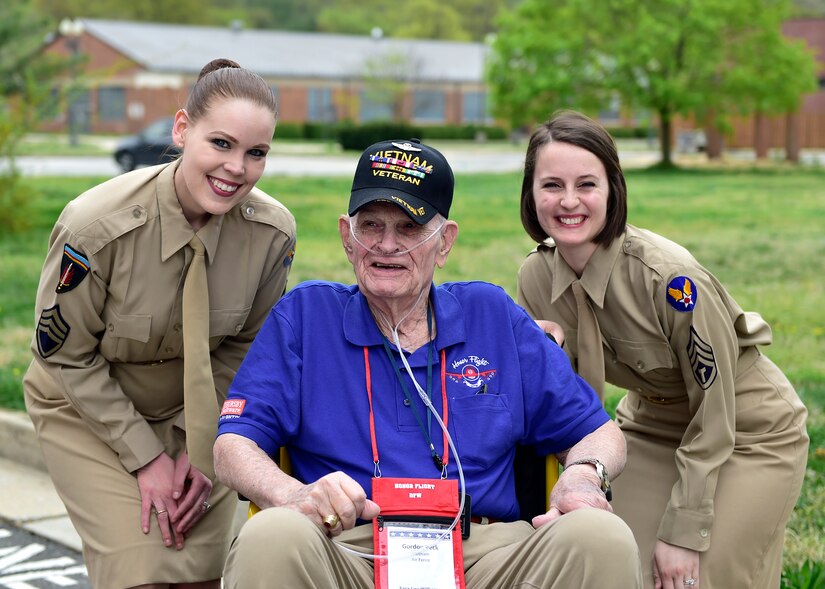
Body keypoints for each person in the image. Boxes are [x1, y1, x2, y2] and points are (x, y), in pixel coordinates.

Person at [213, 138, 643, 588]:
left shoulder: (491, 315)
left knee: (602, 536)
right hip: (348, 547)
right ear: (347, 237)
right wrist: (293, 494)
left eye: (409, 228)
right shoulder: (305, 317)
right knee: (271, 533)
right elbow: (232, 447)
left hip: (485, 553)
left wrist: (581, 475)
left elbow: (597, 431)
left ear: (445, 243)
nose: (386, 244)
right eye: (371, 225)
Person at [23, 58, 296, 589]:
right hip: (86, 409)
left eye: (255, 152)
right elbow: (65, 355)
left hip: (197, 414)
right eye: (221, 143)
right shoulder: (96, 227)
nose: (236, 168)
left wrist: (204, 449)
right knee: (141, 572)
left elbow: (243, 352)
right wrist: (146, 458)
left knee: (203, 575)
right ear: (181, 129)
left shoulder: (270, 235)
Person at [516, 110, 809, 589]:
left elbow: (716, 411)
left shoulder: (669, 279)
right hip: (649, 429)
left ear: (613, 190)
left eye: (587, 184)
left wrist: (684, 530)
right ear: (531, 193)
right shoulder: (535, 278)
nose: (568, 201)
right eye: (552, 185)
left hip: (746, 429)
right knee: (612, 559)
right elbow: (559, 407)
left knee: (692, 575)